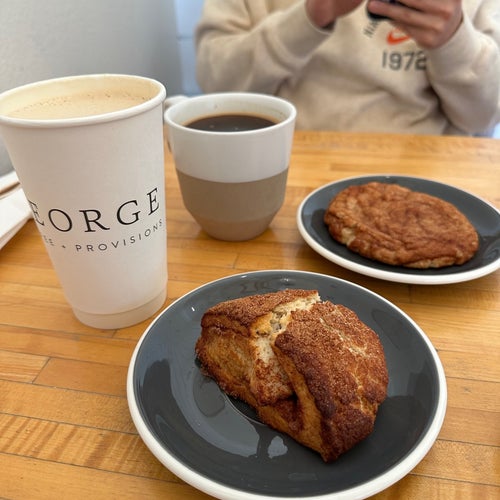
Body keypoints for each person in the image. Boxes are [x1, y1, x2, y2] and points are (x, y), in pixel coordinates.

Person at [195, 0, 500, 135]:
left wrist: (453, 40)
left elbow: (484, 117)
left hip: (431, 170)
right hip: (285, 161)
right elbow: (216, 86)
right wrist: (309, 17)